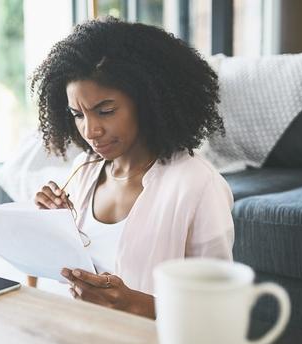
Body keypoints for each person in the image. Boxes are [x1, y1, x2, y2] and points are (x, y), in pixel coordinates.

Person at [31, 17, 234, 319]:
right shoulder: (83, 171)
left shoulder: (197, 185)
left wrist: (131, 303)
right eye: (77, 114)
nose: (90, 131)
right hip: (74, 342)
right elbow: (45, 287)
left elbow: (218, 310)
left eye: (106, 111)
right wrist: (48, 229)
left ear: (149, 101)